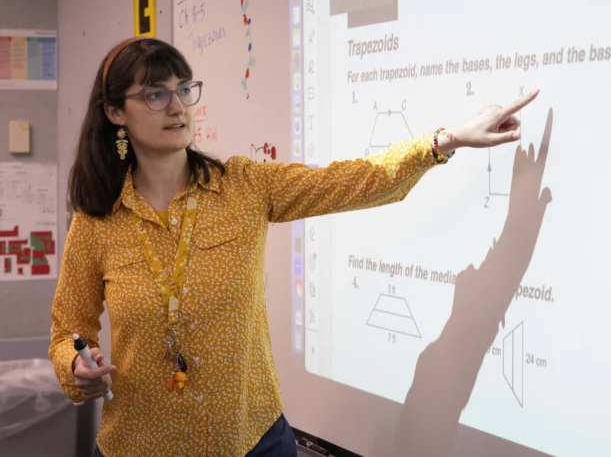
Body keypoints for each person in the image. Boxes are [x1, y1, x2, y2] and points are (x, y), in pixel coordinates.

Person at [48, 36, 540, 457]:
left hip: (253, 440)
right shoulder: (98, 222)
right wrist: (78, 365)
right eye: (156, 94)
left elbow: (355, 181)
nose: (177, 106)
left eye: (184, 90)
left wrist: (444, 140)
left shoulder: (243, 186)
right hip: (140, 444)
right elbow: (69, 329)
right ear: (116, 112)